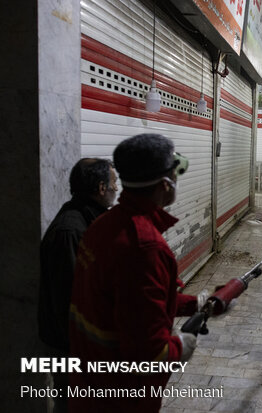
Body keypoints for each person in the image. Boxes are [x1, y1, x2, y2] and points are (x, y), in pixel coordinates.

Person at [68, 134, 206, 412]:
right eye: (175, 174)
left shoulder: (103, 225)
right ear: (166, 185)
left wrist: (197, 304)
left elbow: (133, 305)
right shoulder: (146, 248)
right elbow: (149, 354)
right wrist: (180, 347)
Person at [38, 158, 117, 413]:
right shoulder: (71, 231)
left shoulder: (90, 219)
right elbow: (71, 300)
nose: (117, 190)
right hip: (71, 350)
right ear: (102, 188)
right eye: (114, 184)